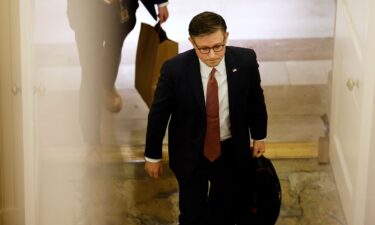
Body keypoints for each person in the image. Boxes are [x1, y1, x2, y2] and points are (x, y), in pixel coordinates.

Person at [144, 11, 268, 225]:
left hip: (230, 151)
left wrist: (259, 136)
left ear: (226, 37)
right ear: (192, 42)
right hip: (190, 153)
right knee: (192, 214)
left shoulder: (245, 61)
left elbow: (255, 100)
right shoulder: (174, 70)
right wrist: (152, 156)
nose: (212, 55)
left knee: (225, 212)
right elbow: (158, 116)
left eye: (217, 46)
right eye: (203, 49)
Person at [67, 0, 169, 145]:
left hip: (121, 10)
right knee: (91, 72)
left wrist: (161, 2)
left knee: (113, 49)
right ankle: (92, 142)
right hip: (87, 12)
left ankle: (107, 86)